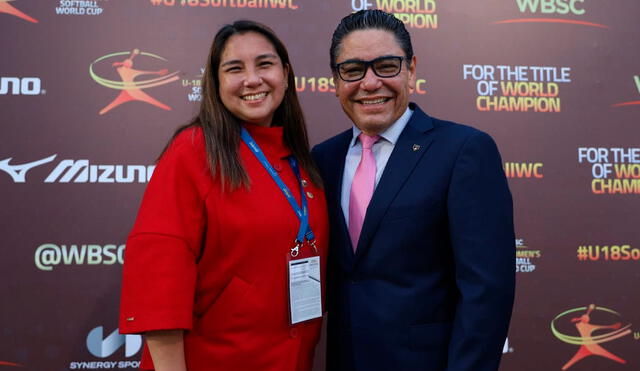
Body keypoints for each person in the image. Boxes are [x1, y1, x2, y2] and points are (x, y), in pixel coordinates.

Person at [312, 10, 515, 371]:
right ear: (335, 79)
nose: (370, 83)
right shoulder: (322, 160)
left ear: (411, 69)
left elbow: (486, 293)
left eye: (386, 66)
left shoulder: (463, 150)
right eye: (353, 69)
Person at [119, 20, 328, 371]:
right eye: (234, 68)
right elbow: (158, 284)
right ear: (215, 83)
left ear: (286, 73)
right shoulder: (193, 151)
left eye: (264, 64)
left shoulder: (300, 161)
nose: (252, 79)